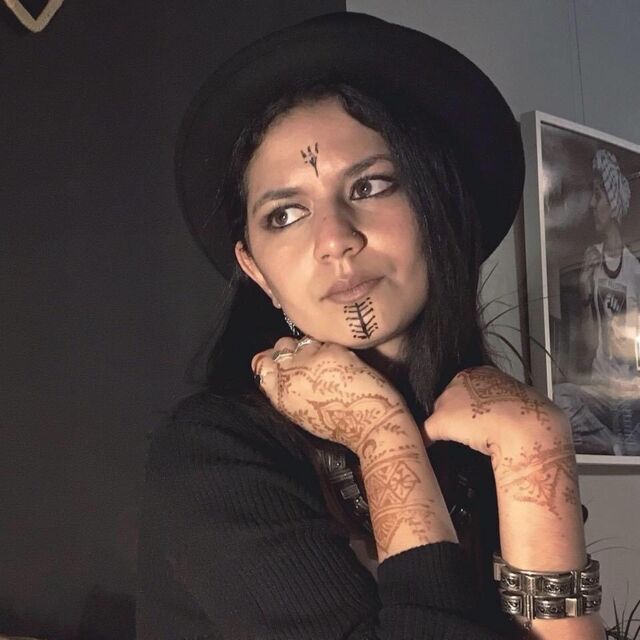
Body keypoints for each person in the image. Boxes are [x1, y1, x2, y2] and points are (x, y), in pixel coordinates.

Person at [136, 12, 604, 639]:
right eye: (285, 215)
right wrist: (382, 435)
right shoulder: (213, 457)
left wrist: (537, 445)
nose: (335, 239)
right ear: (256, 270)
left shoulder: (494, 430)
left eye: (371, 185)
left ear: (437, 208)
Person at [554, 148, 640, 456]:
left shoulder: (635, 270)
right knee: (559, 398)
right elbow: (589, 343)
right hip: (602, 389)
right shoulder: (590, 259)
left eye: (598, 195)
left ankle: (623, 443)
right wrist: (585, 290)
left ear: (613, 205)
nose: (591, 204)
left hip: (633, 392)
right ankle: (614, 446)